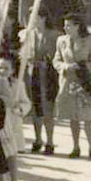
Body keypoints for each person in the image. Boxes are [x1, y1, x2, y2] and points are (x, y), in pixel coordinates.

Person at [53, 14, 91, 159]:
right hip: (69, 81)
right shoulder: (61, 41)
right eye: (65, 25)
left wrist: (82, 68)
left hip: (85, 82)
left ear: (77, 26)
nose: (65, 28)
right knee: (73, 116)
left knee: (87, 116)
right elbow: (56, 60)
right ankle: (76, 147)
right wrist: (65, 66)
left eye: (69, 25)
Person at [20, 10, 59, 155]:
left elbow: (57, 55)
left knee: (47, 107)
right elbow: (23, 53)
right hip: (33, 74)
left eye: (35, 17)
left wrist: (47, 62)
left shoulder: (55, 35)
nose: (32, 20)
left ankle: (50, 141)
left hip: (48, 75)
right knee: (35, 108)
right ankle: (38, 139)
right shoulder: (27, 34)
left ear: (43, 18)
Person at [0, 56, 30, 181]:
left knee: (12, 158)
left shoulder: (18, 84)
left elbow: (26, 103)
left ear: (13, 71)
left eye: (6, 68)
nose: (2, 71)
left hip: (12, 122)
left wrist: (19, 109)